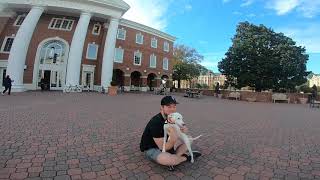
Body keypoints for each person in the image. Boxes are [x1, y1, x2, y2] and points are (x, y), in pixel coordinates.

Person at [140, 96, 201, 170]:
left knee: (189, 139)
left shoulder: (173, 118)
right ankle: (185, 157)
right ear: (162, 107)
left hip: (167, 142)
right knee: (167, 159)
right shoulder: (155, 122)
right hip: (153, 148)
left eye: (174, 106)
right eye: (169, 106)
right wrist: (173, 138)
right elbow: (163, 147)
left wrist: (184, 131)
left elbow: (181, 132)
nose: (172, 109)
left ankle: (175, 158)